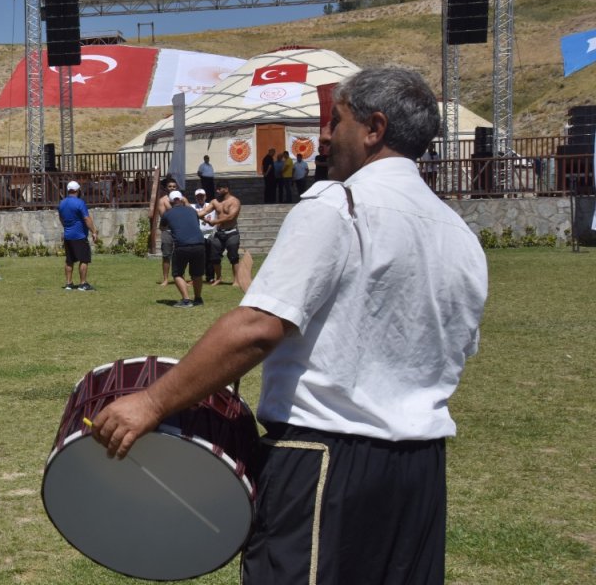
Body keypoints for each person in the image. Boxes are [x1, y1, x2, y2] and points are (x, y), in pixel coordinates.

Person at [91, 67, 488, 585]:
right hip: (420, 473)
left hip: (326, 463)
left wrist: (150, 402)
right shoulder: (459, 234)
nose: (323, 136)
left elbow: (259, 325)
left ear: (375, 128)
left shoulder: (339, 204)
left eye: (335, 120)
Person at [162, 191, 206, 307]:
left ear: (171, 201)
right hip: (199, 244)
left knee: (177, 273)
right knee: (197, 274)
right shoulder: (192, 211)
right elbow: (196, 223)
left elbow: (162, 227)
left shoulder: (168, 214)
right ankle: (198, 299)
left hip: (182, 246)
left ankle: (186, 300)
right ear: (182, 199)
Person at [58, 180, 97, 291]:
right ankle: (83, 284)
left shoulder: (62, 203)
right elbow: (86, 219)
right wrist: (93, 231)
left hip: (68, 236)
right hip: (79, 236)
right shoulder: (80, 203)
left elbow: (61, 218)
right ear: (77, 190)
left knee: (69, 260)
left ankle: (69, 284)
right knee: (84, 259)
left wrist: (66, 227)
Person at [202, 181, 242, 286]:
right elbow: (204, 212)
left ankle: (236, 280)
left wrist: (215, 222)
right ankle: (218, 278)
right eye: (217, 188)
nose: (217, 190)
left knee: (233, 257)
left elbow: (231, 217)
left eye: (219, 188)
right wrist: (193, 213)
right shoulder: (215, 202)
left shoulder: (234, 201)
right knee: (214, 257)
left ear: (226, 189)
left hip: (231, 232)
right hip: (219, 233)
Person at [151, 176, 179, 287]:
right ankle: (166, 279)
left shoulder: (180, 199)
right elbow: (165, 216)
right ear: (166, 188)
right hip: (167, 230)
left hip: (179, 231)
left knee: (180, 255)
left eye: (174, 186)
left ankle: (179, 278)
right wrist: (171, 208)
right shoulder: (162, 201)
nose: (172, 188)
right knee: (166, 255)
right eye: (170, 186)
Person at [191, 189, 217, 283]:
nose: (200, 198)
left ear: (205, 196)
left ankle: (210, 277)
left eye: (202, 196)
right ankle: (197, 276)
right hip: (197, 235)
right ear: (195, 197)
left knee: (210, 257)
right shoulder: (192, 207)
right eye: (198, 196)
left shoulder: (211, 207)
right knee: (197, 258)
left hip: (209, 235)